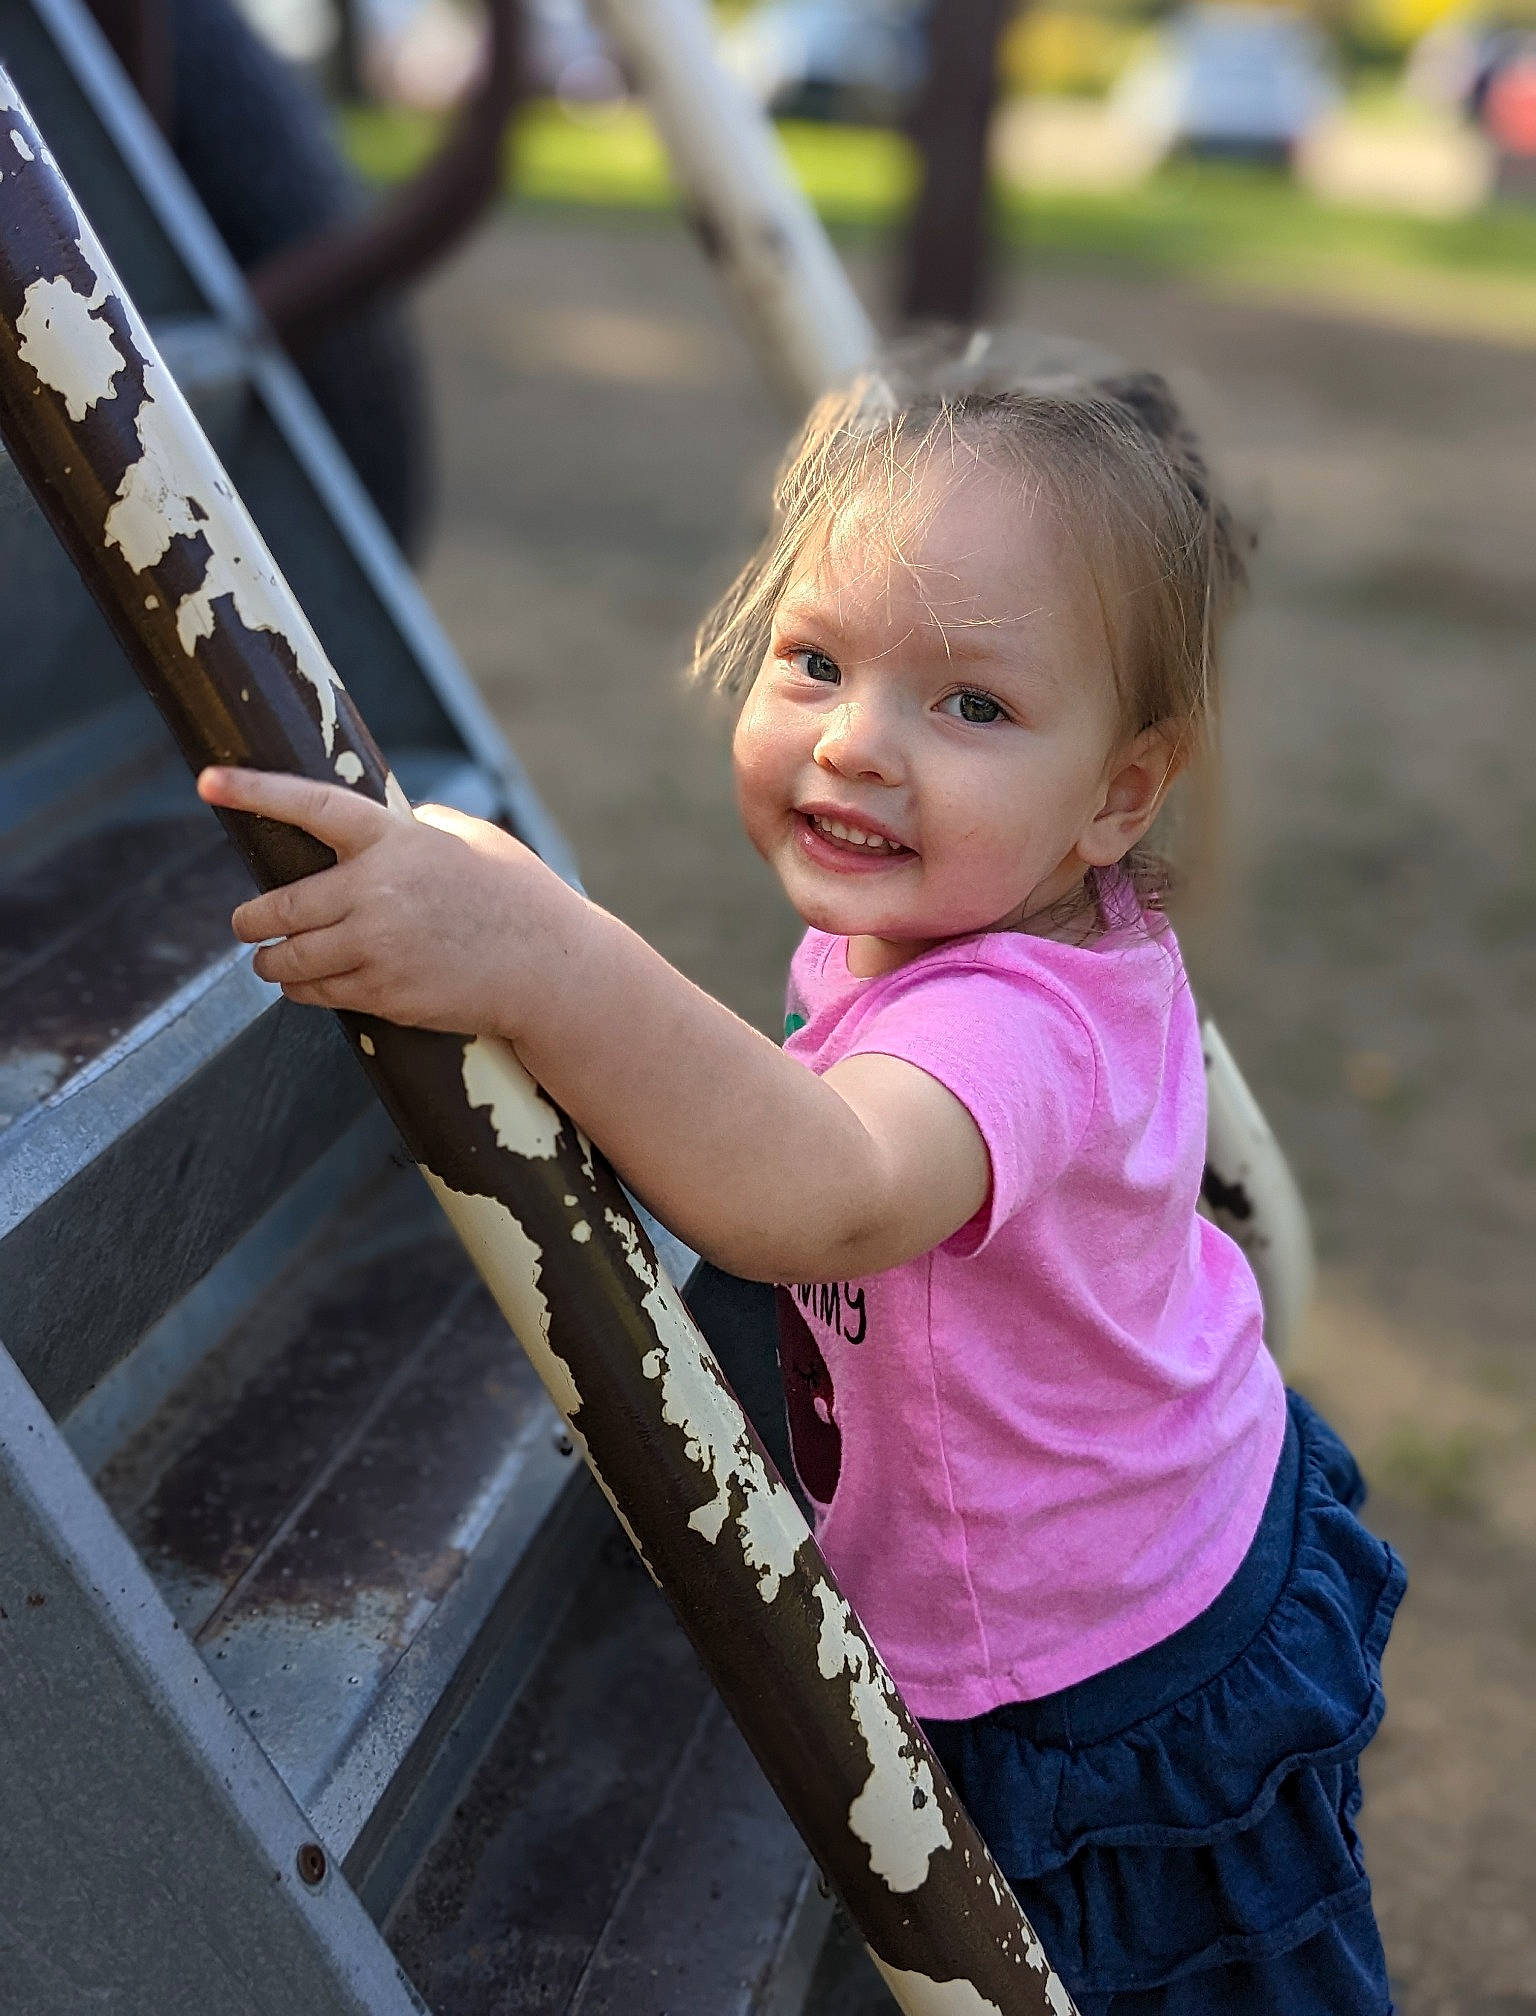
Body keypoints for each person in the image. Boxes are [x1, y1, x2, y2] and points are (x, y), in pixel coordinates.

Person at [199, 336, 1404, 2014]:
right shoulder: (927, 917)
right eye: (819, 659)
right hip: (1099, 1557)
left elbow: (819, 1187)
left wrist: (545, 956)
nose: (858, 745)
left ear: (1120, 795)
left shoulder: (1014, 1024)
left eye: (970, 704)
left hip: (1112, 1673)